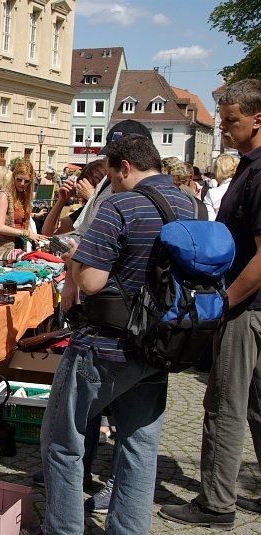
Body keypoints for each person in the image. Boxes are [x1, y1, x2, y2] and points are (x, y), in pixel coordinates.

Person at [42, 133, 197, 534]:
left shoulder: (120, 205)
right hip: (159, 344)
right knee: (139, 450)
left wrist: (75, 259)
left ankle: (63, 529)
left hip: (104, 345)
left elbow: (92, 282)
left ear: (124, 167)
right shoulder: (189, 205)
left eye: (111, 176)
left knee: (63, 443)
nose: (109, 185)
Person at [159, 78, 261, 529]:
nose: (222, 129)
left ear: (258, 119)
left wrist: (224, 304)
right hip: (252, 306)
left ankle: (216, 503)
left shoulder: (259, 172)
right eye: (220, 119)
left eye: (231, 120)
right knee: (256, 404)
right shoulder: (249, 166)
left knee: (224, 404)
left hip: (248, 308)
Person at [0, 161, 45, 256]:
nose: (22, 184)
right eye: (19, 180)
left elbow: (26, 223)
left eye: (26, 181)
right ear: (13, 177)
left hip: (19, 247)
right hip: (3, 250)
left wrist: (36, 239)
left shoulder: (24, 197)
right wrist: (26, 233)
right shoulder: (4, 195)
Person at [41, 159, 108, 237]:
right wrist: (61, 200)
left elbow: (105, 227)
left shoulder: (112, 209)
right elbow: (48, 231)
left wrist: (91, 197)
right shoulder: (86, 210)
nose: (82, 189)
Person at [203, 153, 239, 220]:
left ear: (217, 170)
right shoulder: (242, 188)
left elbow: (211, 222)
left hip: (222, 228)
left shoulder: (212, 193)